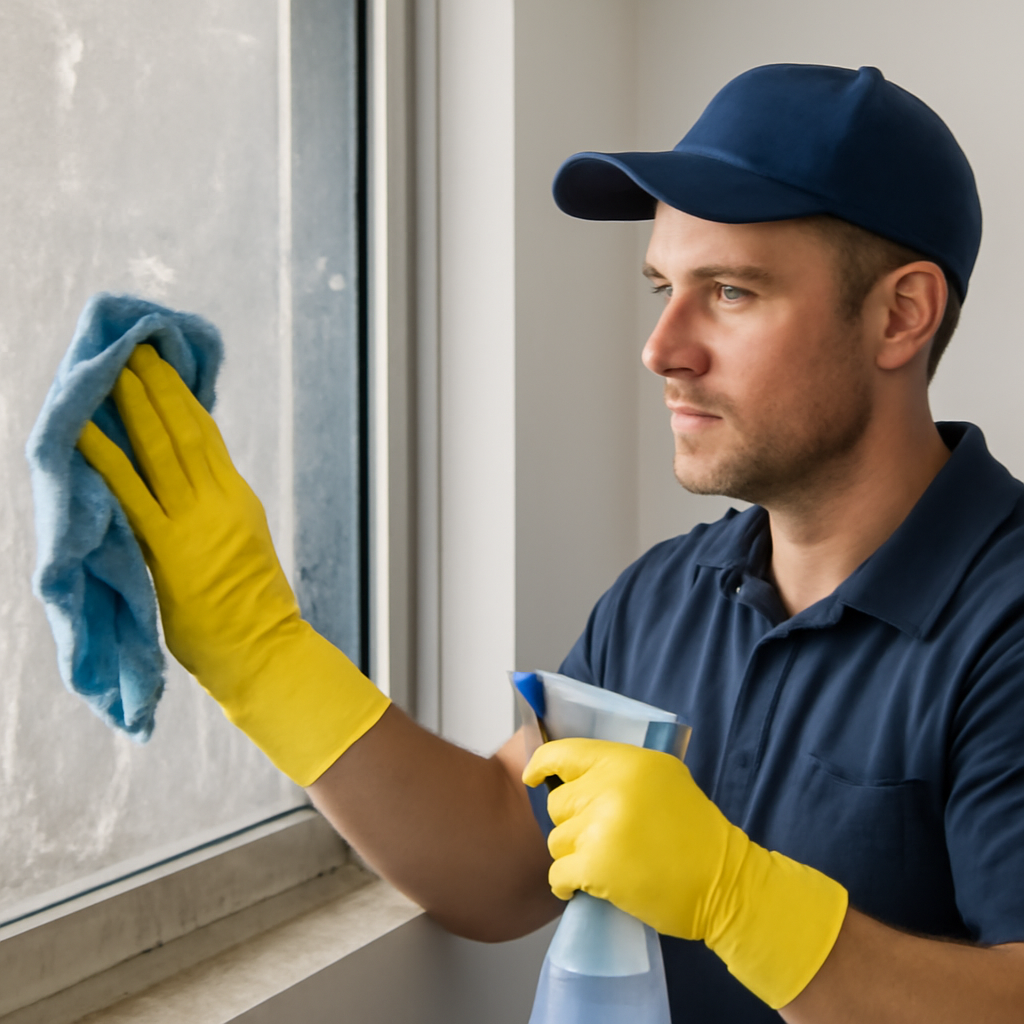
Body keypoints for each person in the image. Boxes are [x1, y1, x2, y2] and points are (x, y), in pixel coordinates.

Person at [77, 63, 1024, 1022]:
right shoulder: (668, 595)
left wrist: (745, 901)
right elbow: (505, 855)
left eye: (731, 293)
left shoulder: (1008, 622)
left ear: (902, 314)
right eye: (663, 286)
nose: (663, 346)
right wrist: (261, 653)